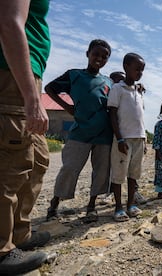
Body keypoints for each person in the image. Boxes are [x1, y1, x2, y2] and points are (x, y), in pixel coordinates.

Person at [0, 0, 52, 274]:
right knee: (10, 164)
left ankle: (20, 233)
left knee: (38, 157)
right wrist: (32, 99)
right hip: (12, 75)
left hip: (26, 76)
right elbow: (8, 22)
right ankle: (1, 249)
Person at [45, 39, 113, 223]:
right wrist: (67, 107)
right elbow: (49, 88)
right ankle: (54, 204)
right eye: (96, 54)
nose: (99, 58)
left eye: (104, 56)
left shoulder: (108, 81)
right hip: (80, 131)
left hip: (104, 134)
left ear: (107, 60)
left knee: (101, 171)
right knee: (69, 168)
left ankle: (91, 206)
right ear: (87, 54)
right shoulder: (74, 75)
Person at [107, 53, 147, 222]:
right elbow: (112, 114)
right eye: (137, 69)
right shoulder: (118, 89)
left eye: (142, 70)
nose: (139, 73)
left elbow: (139, 117)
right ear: (126, 67)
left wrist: (144, 139)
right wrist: (120, 139)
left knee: (133, 174)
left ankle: (131, 205)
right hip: (124, 139)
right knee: (119, 174)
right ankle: (118, 208)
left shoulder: (138, 92)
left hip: (139, 138)